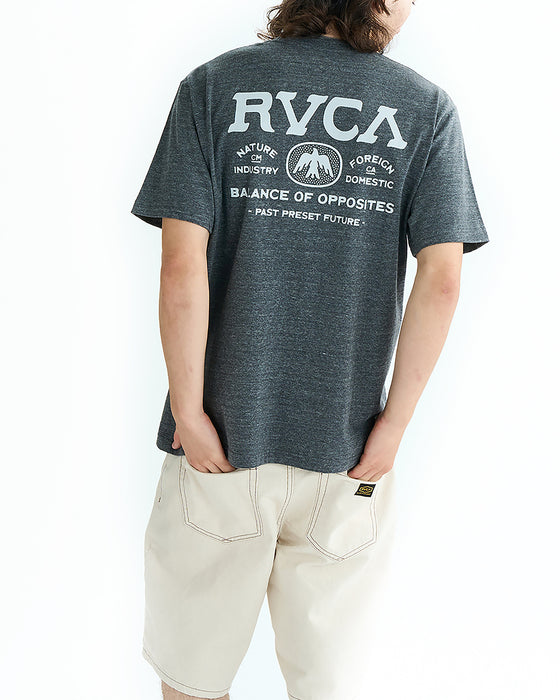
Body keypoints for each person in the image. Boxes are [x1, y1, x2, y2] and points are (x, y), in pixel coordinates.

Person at [131, 1, 489, 698]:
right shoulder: (425, 109)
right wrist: (394, 427)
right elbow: (442, 279)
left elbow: (180, 267)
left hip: (220, 442)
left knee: (191, 683)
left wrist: (190, 413)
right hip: (348, 450)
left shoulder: (214, 86)